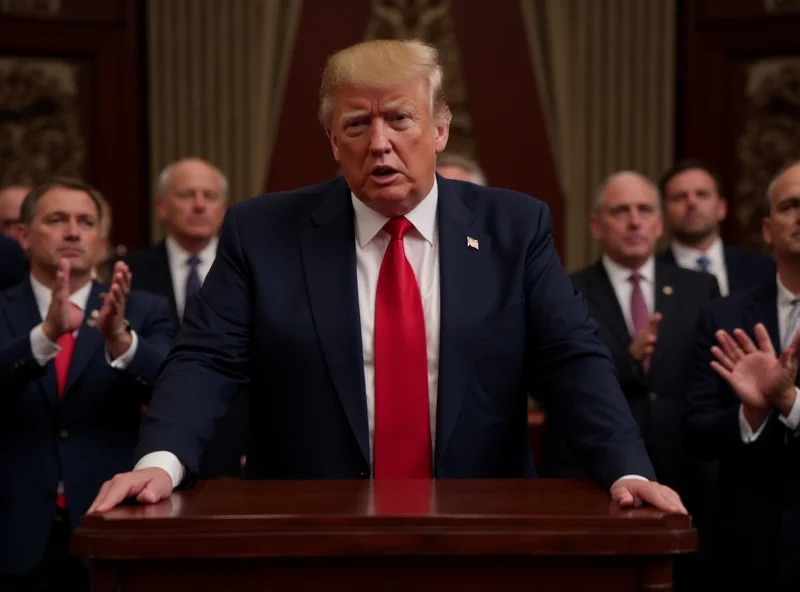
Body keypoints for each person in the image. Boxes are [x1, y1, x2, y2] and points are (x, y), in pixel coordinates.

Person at [88, 39, 684, 516]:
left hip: (480, 524)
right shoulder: (263, 231)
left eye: (400, 119)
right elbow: (206, 360)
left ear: (440, 129)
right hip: (308, 528)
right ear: (331, 140)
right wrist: (161, 462)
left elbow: (570, 359)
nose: (380, 145)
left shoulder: (513, 226)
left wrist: (626, 469)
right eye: (356, 125)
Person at [0, 178, 173, 590]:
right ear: (23, 236)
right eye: (57, 220)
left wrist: (120, 340)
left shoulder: (146, 310)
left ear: (101, 240)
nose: (73, 232)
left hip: (110, 528)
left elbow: (172, 390)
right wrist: (43, 336)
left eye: (86, 222)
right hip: (13, 536)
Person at [685, 160, 800, 590]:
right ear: (768, 230)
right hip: (744, 546)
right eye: (791, 206)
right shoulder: (724, 314)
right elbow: (694, 430)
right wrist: (749, 414)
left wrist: (788, 402)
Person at [124, 158, 247, 479]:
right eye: (186, 195)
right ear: (161, 207)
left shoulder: (253, 268)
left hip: (238, 445)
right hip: (151, 441)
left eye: (209, 196)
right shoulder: (128, 271)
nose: (199, 205)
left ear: (225, 208)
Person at [657, 159, 775, 295]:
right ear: (663, 213)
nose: (692, 203)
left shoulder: (763, 269)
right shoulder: (650, 275)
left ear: (722, 208)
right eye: (679, 197)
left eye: (702, 194)